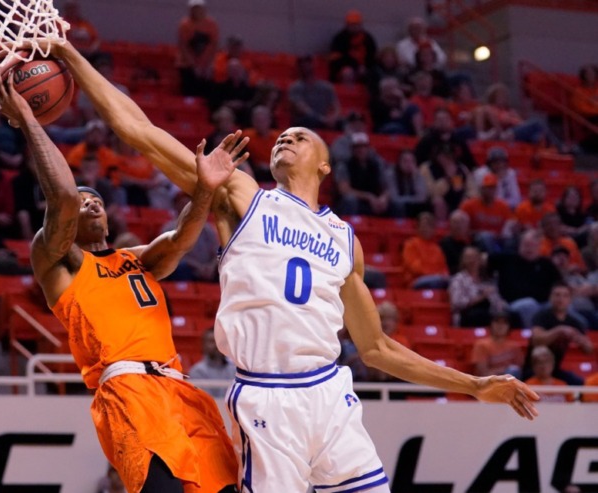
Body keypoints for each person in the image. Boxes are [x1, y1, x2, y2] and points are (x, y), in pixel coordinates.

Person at [44, 38, 540, 493]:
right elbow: (140, 131)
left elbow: (378, 348)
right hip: (266, 396)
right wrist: (70, 56)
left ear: (325, 165)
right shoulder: (243, 197)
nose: (286, 138)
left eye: (300, 136)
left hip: (329, 393)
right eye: (281, 135)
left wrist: (474, 385)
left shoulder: (346, 241)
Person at [0, 71, 238, 493]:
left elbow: (180, 239)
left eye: (97, 200)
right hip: (127, 390)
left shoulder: (136, 260)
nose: (90, 204)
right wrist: (30, 118)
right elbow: (64, 198)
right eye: (84, 201)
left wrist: (204, 190)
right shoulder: (58, 260)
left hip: (179, 389)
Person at [487, 229, 562, 327]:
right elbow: (485, 262)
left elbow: (559, 284)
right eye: (526, 245)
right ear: (519, 245)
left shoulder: (547, 264)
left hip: (543, 303)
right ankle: (533, 337)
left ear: (539, 247)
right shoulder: (507, 259)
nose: (529, 249)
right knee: (529, 305)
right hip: (512, 304)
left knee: (561, 304)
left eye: (533, 245)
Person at [522, 283, 593, 386]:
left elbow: (589, 349)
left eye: (565, 295)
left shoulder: (574, 322)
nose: (561, 299)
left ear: (570, 299)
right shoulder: (542, 316)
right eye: (557, 295)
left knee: (579, 384)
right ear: (550, 297)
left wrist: (580, 339)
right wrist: (559, 330)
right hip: (534, 370)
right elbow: (537, 340)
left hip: (555, 370)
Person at [334, 132, 401, 217]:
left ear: (368, 148)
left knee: (396, 204)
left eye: (363, 146)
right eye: (357, 147)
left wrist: (383, 198)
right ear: (352, 149)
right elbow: (344, 190)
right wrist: (368, 197)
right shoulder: (344, 166)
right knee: (350, 200)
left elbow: (388, 186)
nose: (360, 150)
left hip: (374, 202)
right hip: (357, 202)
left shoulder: (377, 164)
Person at [448, 245, 505, 327]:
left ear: (480, 259)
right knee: (479, 315)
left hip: (489, 313)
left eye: (475, 257)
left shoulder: (488, 280)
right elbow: (456, 303)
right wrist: (480, 297)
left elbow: (497, 302)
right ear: (463, 260)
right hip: (467, 314)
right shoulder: (458, 279)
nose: (472, 261)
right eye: (468, 257)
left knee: (511, 316)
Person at [176, 0, 219, 97]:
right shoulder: (185, 24)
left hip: (205, 66)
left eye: (199, 8)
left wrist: (208, 65)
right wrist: (194, 65)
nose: (197, 11)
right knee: (189, 92)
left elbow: (214, 45)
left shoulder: (212, 24)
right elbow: (183, 46)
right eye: (194, 8)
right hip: (187, 65)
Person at [288, 54, 342, 129]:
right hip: (306, 120)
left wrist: (333, 118)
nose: (305, 67)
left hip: (325, 119)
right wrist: (321, 119)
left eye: (308, 64)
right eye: (302, 65)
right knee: (308, 120)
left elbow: (336, 106)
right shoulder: (295, 87)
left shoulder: (326, 87)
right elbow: (302, 108)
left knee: (343, 122)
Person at [470, 308, 525, 378]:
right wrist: (504, 370)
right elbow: (483, 373)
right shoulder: (481, 345)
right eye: (497, 322)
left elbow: (518, 371)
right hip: (487, 384)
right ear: (491, 324)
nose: (500, 326)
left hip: (510, 384)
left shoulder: (515, 346)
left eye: (504, 323)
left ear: (509, 326)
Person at [401, 211, 450, 289]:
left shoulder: (437, 249)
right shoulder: (410, 245)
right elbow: (415, 268)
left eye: (429, 226)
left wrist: (442, 276)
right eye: (423, 225)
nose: (426, 229)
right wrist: (435, 274)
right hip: (416, 281)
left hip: (436, 280)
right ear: (417, 227)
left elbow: (444, 269)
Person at [328, 10, 378, 83]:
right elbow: (337, 59)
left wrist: (366, 67)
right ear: (347, 25)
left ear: (360, 25)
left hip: (364, 68)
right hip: (344, 68)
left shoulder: (367, 38)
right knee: (347, 72)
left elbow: (372, 56)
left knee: (375, 73)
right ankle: (347, 93)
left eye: (356, 24)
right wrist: (356, 66)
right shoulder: (339, 39)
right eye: (351, 24)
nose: (354, 27)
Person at [188, 328, 236, 398]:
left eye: (220, 342)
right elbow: (205, 400)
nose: (216, 345)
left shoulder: (234, 370)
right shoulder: (197, 371)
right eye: (212, 341)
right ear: (203, 345)